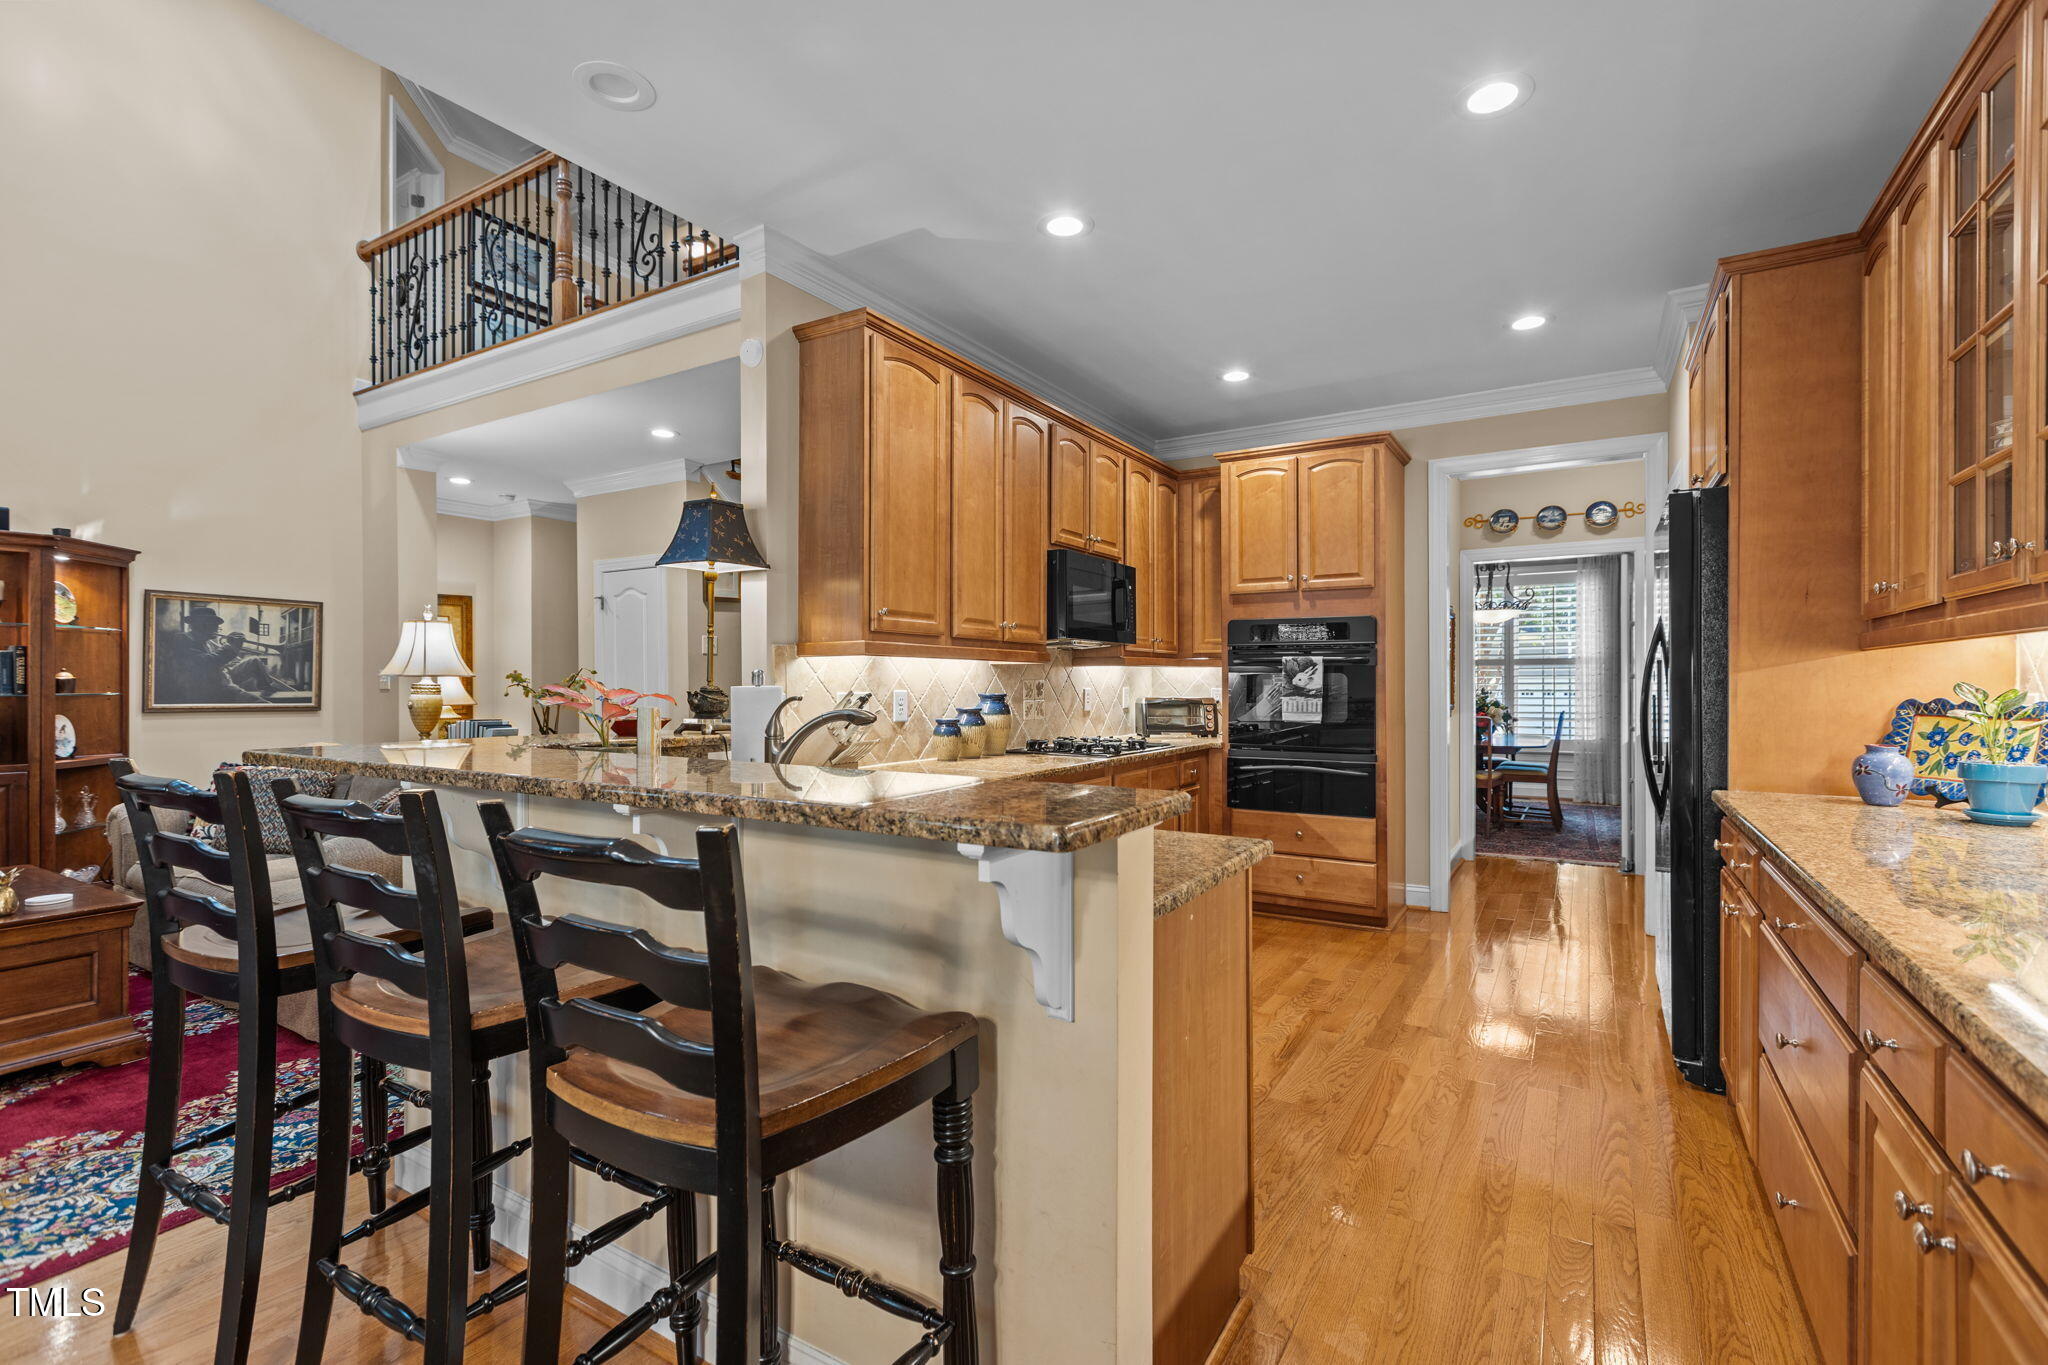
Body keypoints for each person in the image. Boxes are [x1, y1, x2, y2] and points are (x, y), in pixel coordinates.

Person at [155, 605, 265, 704]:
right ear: (202, 624)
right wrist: (231, 648)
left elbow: (218, 662)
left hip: (218, 681)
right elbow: (205, 664)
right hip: (205, 689)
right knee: (261, 704)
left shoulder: (207, 641)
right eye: (214, 624)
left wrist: (231, 654)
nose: (217, 628)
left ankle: (266, 685)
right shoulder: (183, 639)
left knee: (253, 661)